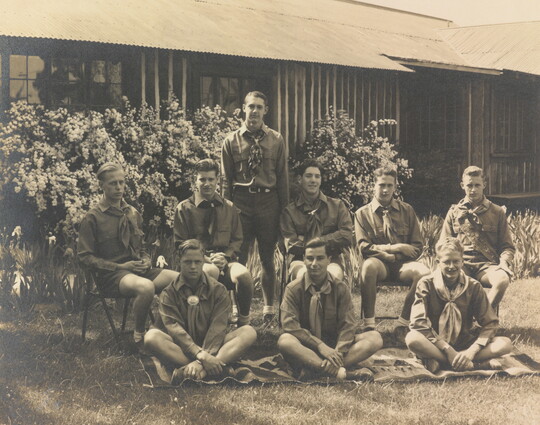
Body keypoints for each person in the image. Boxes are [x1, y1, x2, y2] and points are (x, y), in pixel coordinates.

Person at [77, 162, 179, 346]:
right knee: (146, 287)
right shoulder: (92, 217)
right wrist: (120, 267)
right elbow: (84, 257)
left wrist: (146, 260)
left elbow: (141, 247)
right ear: (101, 186)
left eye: (121, 182)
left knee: (181, 280)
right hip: (111, 276)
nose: (118, 187)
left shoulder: (132, 213)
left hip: (137, 270)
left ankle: (159, 330)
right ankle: (139, 337)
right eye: (112, 183)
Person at [144, 239, 257, 382]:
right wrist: (200, 355)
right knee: (151, 337)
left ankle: (195, 371)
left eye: (197, 262)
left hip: (214, 346)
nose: (193, 267)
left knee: (248, 332)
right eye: (188, 262)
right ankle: (217, 368)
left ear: (203, 262)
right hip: (182, 348)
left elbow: (218, 327)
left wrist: (201, 360)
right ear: (180, 262)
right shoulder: (168, 293)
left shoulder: (218, 290)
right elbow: (174, 329)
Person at [221, 91, 289, 324]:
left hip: (268, 202)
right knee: (237, 257)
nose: (254, 111)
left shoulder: (277, 140)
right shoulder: (231, 141)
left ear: (265, 110)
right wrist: (225, 212)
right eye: (251, 106)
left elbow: (282, 178)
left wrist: (284, 212)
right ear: (243, 108)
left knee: (268, 257)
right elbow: (225, 180)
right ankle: (240, 311)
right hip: (240, 202)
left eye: (259, 107)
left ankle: (269, 308)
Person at [278, 238, 383, 380]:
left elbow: (348, 325)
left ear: (329, 260)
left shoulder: (340, 288)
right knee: (285, 340)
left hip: (335, 346)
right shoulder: (293, 289)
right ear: (303, 260)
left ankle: (318, 369)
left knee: (375, 338)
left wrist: (338, 352)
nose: (314, 264)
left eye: (320, 258)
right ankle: (342, 373)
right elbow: (290, 325)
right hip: (306, 348)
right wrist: (319, 345)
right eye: (310, 258)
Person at [406, 237, 512, 372]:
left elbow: (490, 323)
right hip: (436, 344)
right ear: (438, 262)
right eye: (446, 262)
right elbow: (417, 323)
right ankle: (470, 364)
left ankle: (447, 362)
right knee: (412, 339)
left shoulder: (473, 286)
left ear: (462, 261)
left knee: (505, 344)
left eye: (456, 261)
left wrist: (472, 351)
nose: (451, 266)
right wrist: (447, 349)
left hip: (465, 343)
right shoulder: (426, 284)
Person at [173, 159, 253, 327]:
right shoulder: (184, 209)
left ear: (218, 180)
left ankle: (244, 322)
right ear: (195, 180)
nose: (207, 184)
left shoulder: (229, 207)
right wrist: (204, 258)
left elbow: (237, 239)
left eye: (211, 179)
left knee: (244, 276)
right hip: (199, 261)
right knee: (210, 272)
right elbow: (180, 243)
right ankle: (208, 323)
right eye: (202, 179)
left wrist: (226, 256)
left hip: (226, 260)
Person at [354, 166, 430, 332]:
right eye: (382, 185)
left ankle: (403, 324)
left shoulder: (407, 210)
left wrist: (396, 257)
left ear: (395, 187)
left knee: (424, 273)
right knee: (368, 266)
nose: (385, 190)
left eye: (390, 185)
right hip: (379, 265)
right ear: (373, 186)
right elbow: (364, 247)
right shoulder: (362, 214)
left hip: (403, 265)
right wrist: (397, 248)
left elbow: (417, 247)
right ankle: (369, 325)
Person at [438, 166, 514, 310]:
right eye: (469, 185)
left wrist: (504, 262)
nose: (473, 189)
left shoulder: (497, 212)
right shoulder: (454, 212)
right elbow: (443, 244)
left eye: (477, 185)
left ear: (484, 185)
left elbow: (507, 246)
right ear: (462, 186)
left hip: (487, 266)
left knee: (502, 280)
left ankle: (482, 319)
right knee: (442, 277)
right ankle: (455, 319)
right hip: (461, 265)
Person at [280, 158, 353, 282]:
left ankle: (327, 302)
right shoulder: (290, 211)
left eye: (317, 176)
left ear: (320, 180)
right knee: (304, 276)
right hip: (301, 260)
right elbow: (291, 244)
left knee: (333, 276)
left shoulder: (337, 206)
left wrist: (317, 241)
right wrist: (331, 238)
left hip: (331, 259)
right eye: (308, 176)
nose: (313, 180)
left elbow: (346, 235)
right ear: (299, 179)